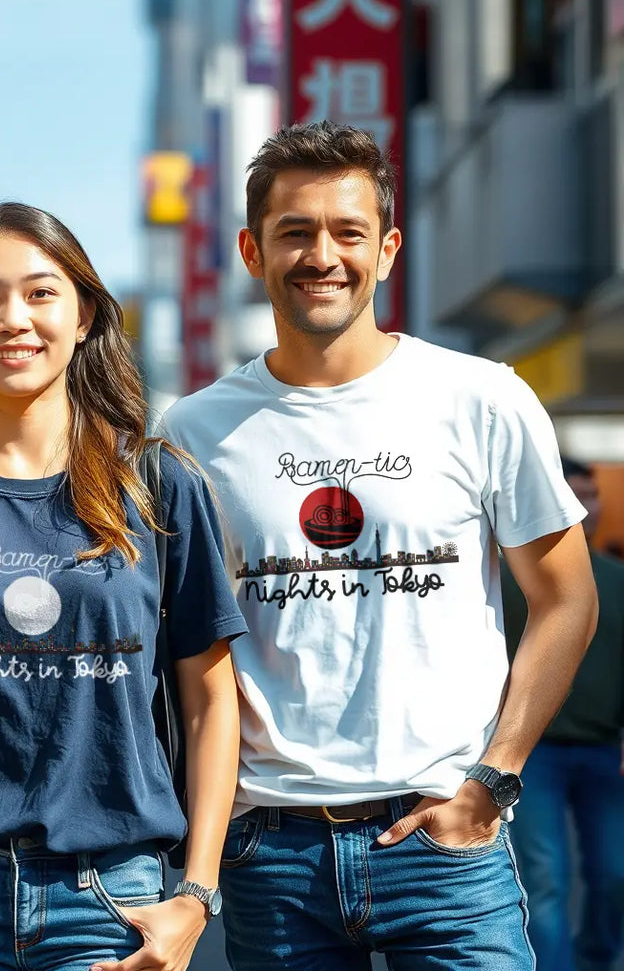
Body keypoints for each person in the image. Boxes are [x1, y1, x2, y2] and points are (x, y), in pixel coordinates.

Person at [159, 120, 599, 969]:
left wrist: (493, 781)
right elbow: (189, 654)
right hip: (273, 852)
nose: (322, 255)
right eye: (295, 232)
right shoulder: (193, 432)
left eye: (347, 232)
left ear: (387, 249)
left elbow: (564, 598)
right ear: (253, 251)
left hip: (447, 842)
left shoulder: (480, 398)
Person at [0, 202, 246, 971]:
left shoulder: (157, 484)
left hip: (111, 899)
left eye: (40, 292)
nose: (12, 318)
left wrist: (196, 893)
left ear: (85, 314)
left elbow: (211, 701)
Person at [503, 456, 624, 971]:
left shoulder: (618, 579)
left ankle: (596, 961)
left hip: (607, 752)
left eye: (592, 495)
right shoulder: (512, 578)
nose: (584, 506)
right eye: (573, 495)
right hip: (535, 754)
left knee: (614, 876)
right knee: (544, 878)